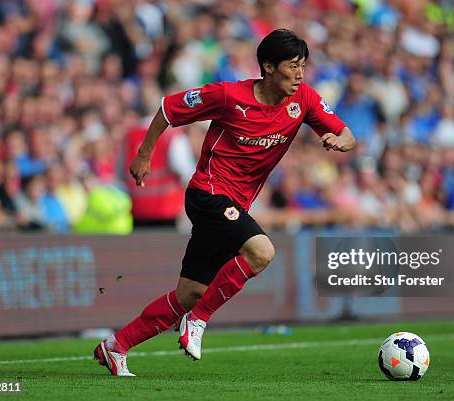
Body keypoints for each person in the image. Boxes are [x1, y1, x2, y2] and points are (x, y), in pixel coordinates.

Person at [93, 29, 355, 376]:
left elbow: (347, 134)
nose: (300, 74)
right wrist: (144, 154)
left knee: (190, 293)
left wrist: (340, 142)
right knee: (261, 252)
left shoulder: (303, 99)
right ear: (269, 67)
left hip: (235, 205)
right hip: (208, 193)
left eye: (303, 65)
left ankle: (116, 346)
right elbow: (169, 109)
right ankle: (198, 322)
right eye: (293, 66)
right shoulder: (229, 95)